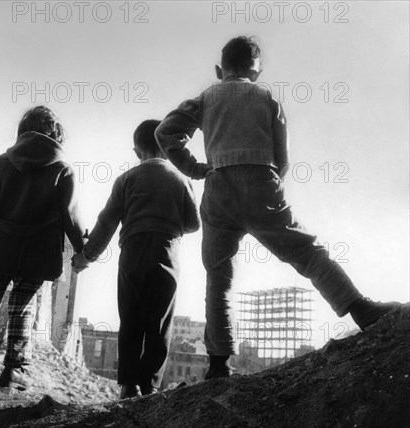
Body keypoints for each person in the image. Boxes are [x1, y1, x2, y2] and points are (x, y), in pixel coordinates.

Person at [154, 36, 399, 379]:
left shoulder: (206, 98)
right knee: (307, 253)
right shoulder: (268, 98)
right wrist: (269, 185)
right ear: (257, 72)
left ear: (218, 70)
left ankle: (218, 364)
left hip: (219, 186)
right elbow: (282, 157)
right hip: (262, 183)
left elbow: (166, 133)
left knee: (219, 277)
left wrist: (197, 168)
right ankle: (361, 310)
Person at [0, 106, 86, 388]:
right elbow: (70, 216)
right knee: (22, 307)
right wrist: (82, 249)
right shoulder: (62, 170)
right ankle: (14, 369)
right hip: (37, 251)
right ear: (55, 135)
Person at [73, 120, 200, 398]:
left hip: (132, 252)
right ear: (167, 149)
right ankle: (150, 384)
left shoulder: (126, 179)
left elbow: (106, 222)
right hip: (167, 254)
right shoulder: (181, 180)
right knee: (161, 320)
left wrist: (87, 256)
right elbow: (194, 223)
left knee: (130, 317)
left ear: (136, 151)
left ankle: (128, 385)